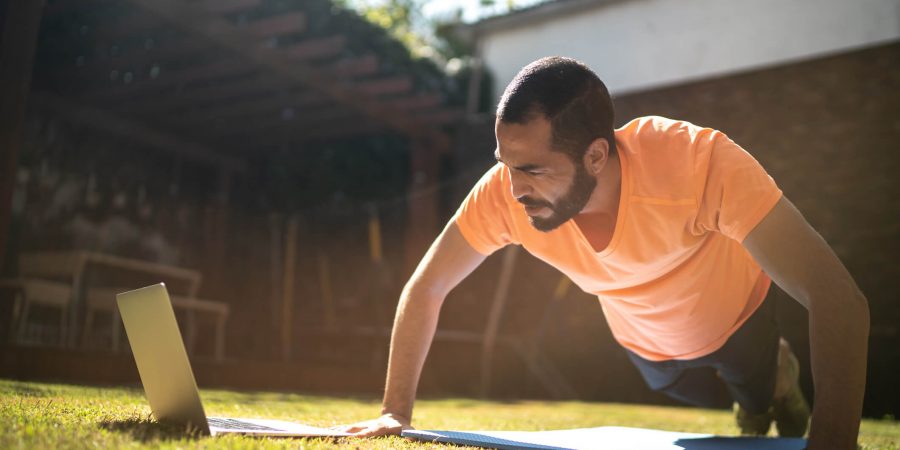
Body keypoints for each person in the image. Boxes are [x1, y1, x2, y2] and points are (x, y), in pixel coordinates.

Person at [338, 57, 869, 450]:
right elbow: (427, 287)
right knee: (700, 403)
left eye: (534, 169)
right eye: (505, 162)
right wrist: (394, 412)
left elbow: (838, 299)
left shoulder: (700, 163)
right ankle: (758, 394)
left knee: (753, 398)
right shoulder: (505, 191)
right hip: (647, 346)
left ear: (595, 155)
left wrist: (834, 438)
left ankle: (775, 384)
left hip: (736, 319)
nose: (514, 187)